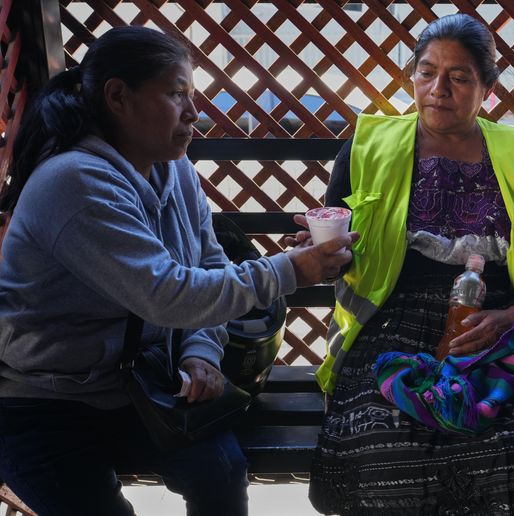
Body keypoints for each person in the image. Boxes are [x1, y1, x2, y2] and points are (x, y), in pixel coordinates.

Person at [0, 26, 356, 515]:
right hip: (44, 404)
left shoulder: (172, 166)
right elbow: (168, 295)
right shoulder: (73, 183)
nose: (193, 112)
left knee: (221, 472)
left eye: (192, 95)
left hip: (140, 386)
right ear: (118, 97)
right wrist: (290, 269)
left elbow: (207, 264)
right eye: (176, 94)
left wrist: (199, 353)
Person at [308, 13, 514, 516]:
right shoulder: (367, 148)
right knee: (385, 443)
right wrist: (322, 254)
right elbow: (341, 250)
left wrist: (513, 315)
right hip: (392, 324)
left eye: (458, 77)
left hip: (498, 324)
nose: (438, 89)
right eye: (427, 73)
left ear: (486, 88)